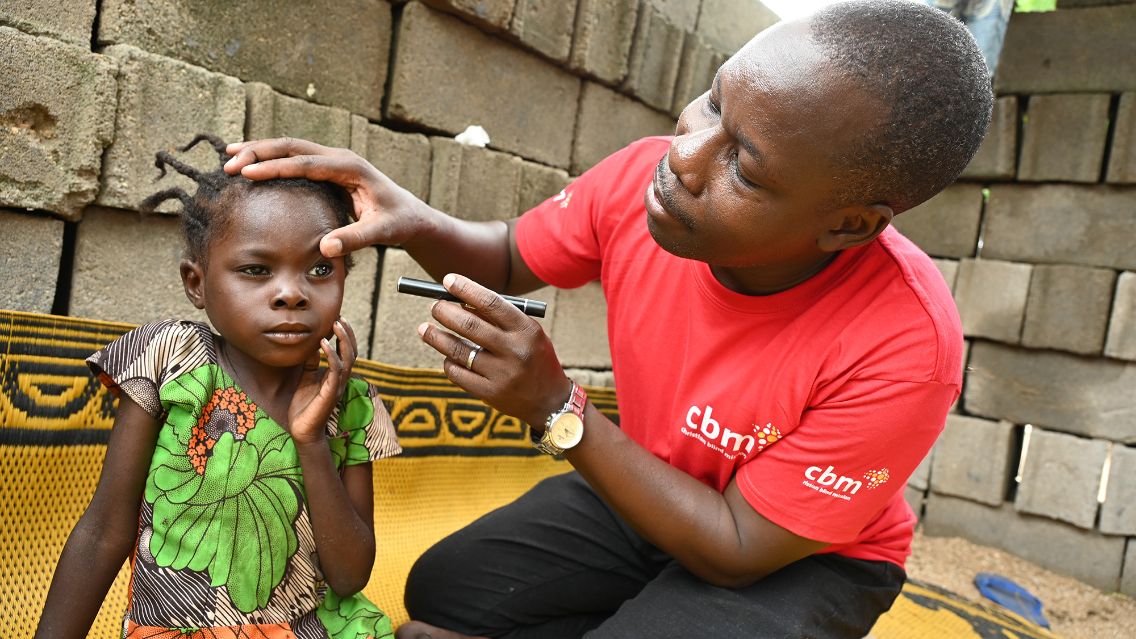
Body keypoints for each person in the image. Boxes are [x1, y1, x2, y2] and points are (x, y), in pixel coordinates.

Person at [222, 1, 994, 637]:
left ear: (848, 225)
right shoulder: (642, 183)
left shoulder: (905, 346)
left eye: (744, 165)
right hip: (650, 488)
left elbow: (736, 546)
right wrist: (409, 215)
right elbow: (509, 255)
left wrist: (556, 408)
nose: (684, 154)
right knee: (448, 590)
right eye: (714, 100)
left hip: (795, 555)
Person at [35, 134, 402, 639]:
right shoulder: (172, 360)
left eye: (320, 269)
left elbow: (349, 576)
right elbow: (103, 532)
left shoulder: (352, 402)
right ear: (197, 284)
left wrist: (312, 441)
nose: (291, 294)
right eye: (256, 270)